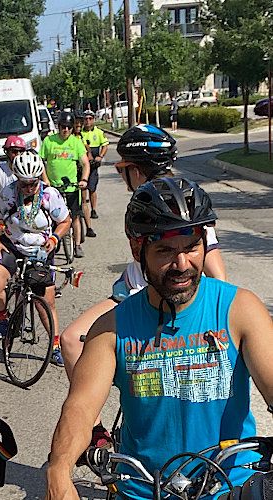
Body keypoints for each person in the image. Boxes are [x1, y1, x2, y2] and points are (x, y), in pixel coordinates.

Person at [47, 178, 273, 499]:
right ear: (138, 249)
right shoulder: (112, 328)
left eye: (191, 247)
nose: (182, 265)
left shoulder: (239, 309)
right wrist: (59, 470)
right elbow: (80, 407)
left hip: (229, 483)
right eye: (166, 250)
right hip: (145, 488)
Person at [60, 125, 227, 446]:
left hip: (152, 296)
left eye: (124, 169)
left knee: (70, 340)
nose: (124, 176)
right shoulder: (186, 195)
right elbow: (218, 272)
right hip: (133, 290)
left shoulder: (161, 202)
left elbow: (215, 272)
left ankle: (97, 436)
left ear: (135, 170)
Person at [0, 151, 71, 366]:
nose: (29, 188)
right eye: (24, 184)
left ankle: (55, 346)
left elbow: (65, 221)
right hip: (12, 245)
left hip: (40, 249)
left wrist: (54, 238)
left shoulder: (50, 195)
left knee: (46, 301)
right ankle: (3, 320)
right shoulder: (8, 194)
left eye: (33, 183)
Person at [40, 111, 90, 258]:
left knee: (74, 216)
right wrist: (45, 179)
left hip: (72, 187)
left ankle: (77, 245)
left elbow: (85, 163)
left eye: (69, 127)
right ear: (58, 126)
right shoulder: (49, 141)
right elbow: (41, 162)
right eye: (63, 127)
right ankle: (53, 240)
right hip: (53, 188)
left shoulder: (76, 142)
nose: (66, 130)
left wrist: (84, 180)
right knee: (51, 217)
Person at [81, 109, 109, 220]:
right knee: (83, 188)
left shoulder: (98, 132)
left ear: (93, 120)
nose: (88, 121)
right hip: (82, 164)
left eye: (90, 119)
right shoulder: (79, 133)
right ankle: (83, 208)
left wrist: (100, 156)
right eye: (86, 119)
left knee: (92, 188)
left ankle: (93, 209)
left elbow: (105, 145)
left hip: (93, 164)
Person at [72, 111, 95, 238]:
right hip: (71, 171)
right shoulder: (70, 138)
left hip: (81, 171)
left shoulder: (81, 137)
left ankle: (89, 227)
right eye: (77, 125)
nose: (79, 127)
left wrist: (89, 155)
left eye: (80, 125)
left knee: (84, 199)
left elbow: (88, 151)